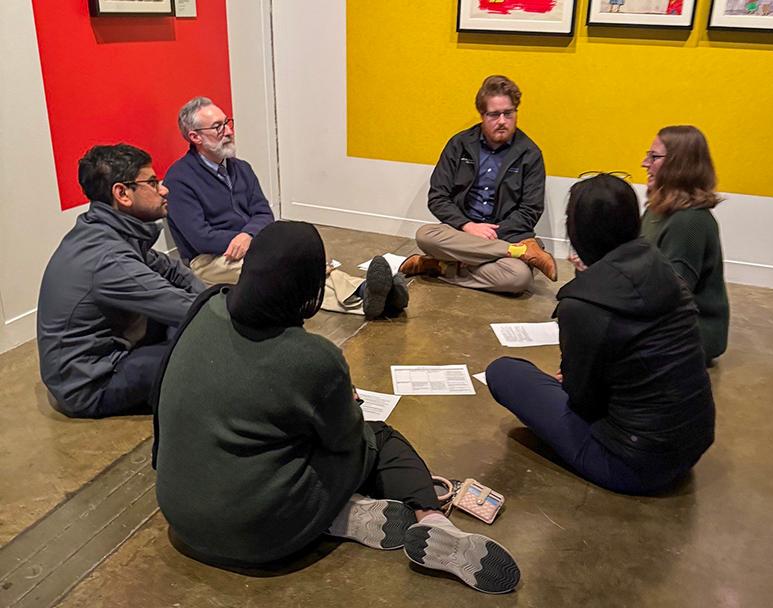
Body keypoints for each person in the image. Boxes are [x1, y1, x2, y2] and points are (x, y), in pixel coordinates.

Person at [152, 221, 520, 594]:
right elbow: (346, 441)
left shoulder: (205, 307)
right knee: (379, 437)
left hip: (180, 517)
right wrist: (344, 401)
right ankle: (433, 520)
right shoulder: (313, 358)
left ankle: (338, 515)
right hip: (257, 536)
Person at [486, 174, 715, 495]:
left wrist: (572, 379)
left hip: (632, 465)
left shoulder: (580, 303)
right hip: (693, 441)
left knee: (505, 372)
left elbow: (583, 402)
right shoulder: (662, 266)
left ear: (576, 232)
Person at [164, 96, 407, 319]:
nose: (228, 131)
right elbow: (200, 238)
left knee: (296, 260)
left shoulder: (241, 169)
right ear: (195, 136)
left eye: (227, 122)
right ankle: (364, 291)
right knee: (285, 269)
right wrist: (248, 242)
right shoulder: (179, 179)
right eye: (218, 127)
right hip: (212, 260)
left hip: (251, 245)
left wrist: (249, 236)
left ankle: (366, 295)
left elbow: (263, 212)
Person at [37, 144, 205, 418]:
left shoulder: (108, 230)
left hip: (105, 353)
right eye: (152, 182)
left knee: (194, 333)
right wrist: (235, 309)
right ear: (122, 193)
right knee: (207, 358)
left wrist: (208, 297)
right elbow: (185, 307)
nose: (163, 189)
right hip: (90, 384)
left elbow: (172, 271)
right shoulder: (107, 258)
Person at [400, 75, 557, 295]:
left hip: (505, 234)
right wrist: (468, 226)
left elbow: (530, 210)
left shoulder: (530, 154)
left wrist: (493, 234)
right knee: (425, 235)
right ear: (482, 115)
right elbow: (438, 197)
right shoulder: (459, 144)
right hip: (461, 232)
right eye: (494, 114)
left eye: (508, 113)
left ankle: (439, 267)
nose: (502, 121)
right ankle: (520, 252)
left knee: (517, 278)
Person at [640, 125, 729, 364]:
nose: (644, 163)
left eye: (654, 157)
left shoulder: (689, 221)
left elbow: (670, 295)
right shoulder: (656, 209)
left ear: (681, 165)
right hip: (662, 319)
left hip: (690, 333)